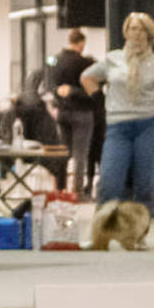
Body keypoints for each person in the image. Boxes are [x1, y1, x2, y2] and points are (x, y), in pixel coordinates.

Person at [81, 12, 154, 215]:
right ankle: (104, 228)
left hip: (150, 124)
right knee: (109, 183)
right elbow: (86, 77)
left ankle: (139, 229)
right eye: (133, 28)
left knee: (145, 185)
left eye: (142, 29)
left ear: (149, 34)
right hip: (118, 126)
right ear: (126, 32)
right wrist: (100, 99)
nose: (137, 33)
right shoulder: (113, 59)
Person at [51, 28, 96, 200]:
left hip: (63, 112)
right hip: (82, 113)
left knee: (63, 152)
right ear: (81, 43)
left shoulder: (56, 61)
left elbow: (51, 87)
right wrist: (74, 91)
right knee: (80, 155)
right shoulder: (85, 63)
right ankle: (77, 193)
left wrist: (60, 91)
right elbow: (92, 92)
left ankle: (60, 190)